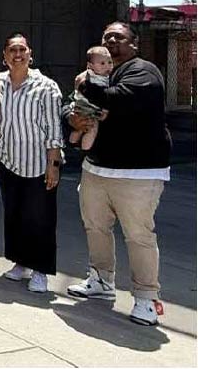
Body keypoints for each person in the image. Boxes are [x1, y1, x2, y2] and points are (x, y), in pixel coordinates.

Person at [66, 22, 172, 326]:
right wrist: (72, 117)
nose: (112, 40)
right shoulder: (98, 71)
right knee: (95, 226)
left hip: (138, 174)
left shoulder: (144, 71)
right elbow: (73, 104)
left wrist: (85, 86)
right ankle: (101, 281)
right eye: (107, 37)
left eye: (119, 37)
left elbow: (118, 99)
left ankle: (146, 299)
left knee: (138, 235)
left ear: (134, 44)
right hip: (96, 168)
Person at [0, 33, 63, 294]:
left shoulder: (46, 86)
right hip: (9, 160)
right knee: (15, 215)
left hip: (38, 165)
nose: (17, 55)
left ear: (30, 54)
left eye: (22, 50)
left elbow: (54, 129)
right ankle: (20, 263)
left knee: (40, 219)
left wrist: (53, 164)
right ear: (4, 56)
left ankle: (40, 270)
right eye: (12, 50)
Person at [66, 46, 113, 150]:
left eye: (110, 62)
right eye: (102, 63)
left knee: (82, 128)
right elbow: (78, 82)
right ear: (90, 66)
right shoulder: (89, 75)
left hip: (90, 107)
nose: (107, 66)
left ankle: (73, 143)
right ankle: (85, 148)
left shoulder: (108, 77)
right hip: (86, 106)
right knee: (92, 127)